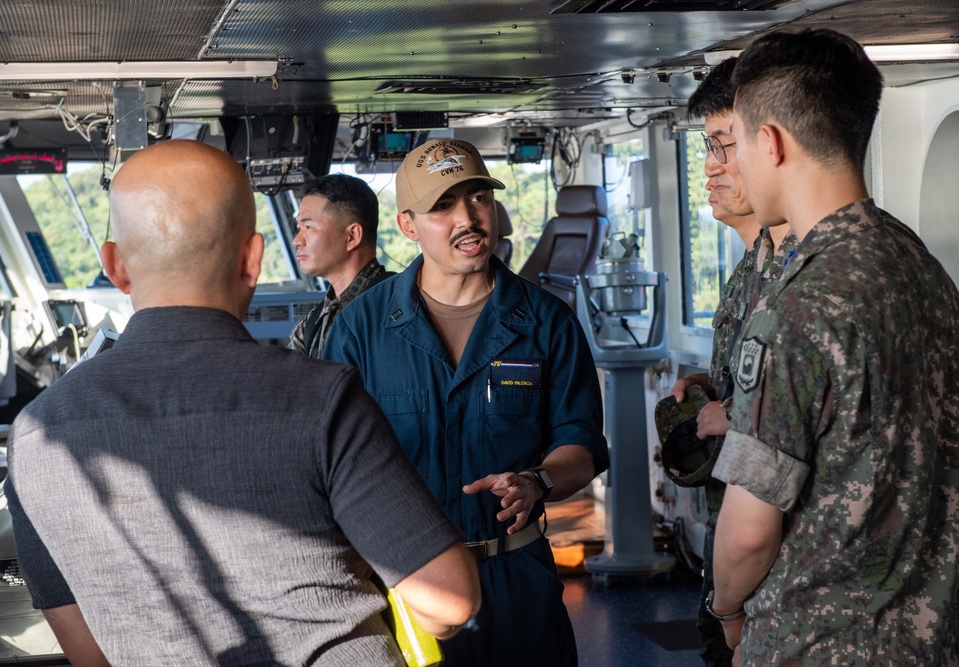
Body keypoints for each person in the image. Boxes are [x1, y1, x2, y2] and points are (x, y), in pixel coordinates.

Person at [4, 139, 480, 666]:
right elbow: (449, 602)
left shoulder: (36, 434)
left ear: (115, 266)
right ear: (252, 259)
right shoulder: (324, 400)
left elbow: (89, 652)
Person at [710, 29, 959, 664]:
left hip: (812, 646)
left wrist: (727, 610)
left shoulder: (795, 305)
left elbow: (747, 535)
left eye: (737, 144)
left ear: (771, 142)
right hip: (926, 643)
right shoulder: (919, 266)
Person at [324, 138, 609, 666]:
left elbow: (581, 442)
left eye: (478, 198)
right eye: (443, 207)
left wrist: (538, 482)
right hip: (409, 587)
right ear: (408, 225)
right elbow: (330, 463)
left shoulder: (548, 323)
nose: (468, 219)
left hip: (517, 580)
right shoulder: (360, 329)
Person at [661, 57, 793, 667]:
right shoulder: (753, 269)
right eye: (706, 148)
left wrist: (731, 416)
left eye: (722, 146)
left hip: (790, 591)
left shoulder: (808, 282)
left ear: (771, 144)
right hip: (747, 576)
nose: (709, 167)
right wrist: (710, 394)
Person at [288, 173, 393, 358]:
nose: (297, 241)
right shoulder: (313, 323)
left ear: (352, 236)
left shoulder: (398, 309)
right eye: (299, 228)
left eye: (308, 227)